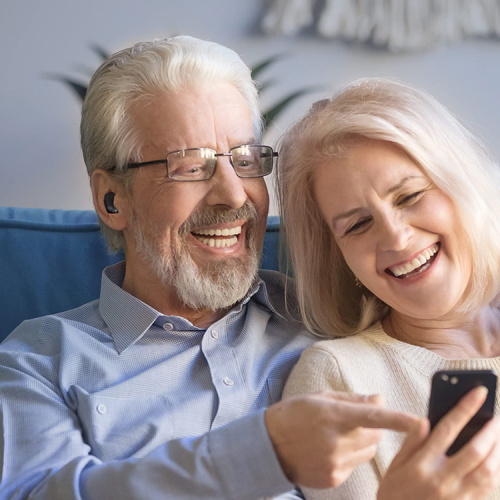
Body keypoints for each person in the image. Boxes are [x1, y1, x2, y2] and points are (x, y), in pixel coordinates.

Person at [0, 39, 417, 499]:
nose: (235, 196)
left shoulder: (334, 314)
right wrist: (263, 453)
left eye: (246, 160)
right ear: (112, 200)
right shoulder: (37, 364)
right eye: (191, 166)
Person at [277, 77, 500, 500]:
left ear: (461, 187)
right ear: (339, 257)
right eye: (358, 225)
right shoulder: (338, 380)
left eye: (409, 196)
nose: (396, 239)